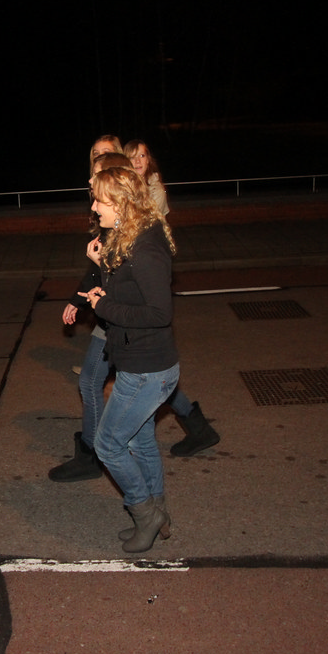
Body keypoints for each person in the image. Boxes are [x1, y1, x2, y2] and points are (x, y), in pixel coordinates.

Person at [79, 165, 179, 552]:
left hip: (146, 370)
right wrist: (101, 270)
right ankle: (158, 513)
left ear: (121, 203)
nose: (93, 207)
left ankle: (145, 513)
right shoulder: (131, 235)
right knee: (140, 441)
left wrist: (103, 307)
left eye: (99, 201)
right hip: (143, 365)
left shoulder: (145, 248)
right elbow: (128, 290)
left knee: (108, 445)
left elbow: (159, 313)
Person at [120, 139, 221, 458]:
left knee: (145, 371)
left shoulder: (153, 191)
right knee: (143, 370)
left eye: (143, 155)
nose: (139, 161)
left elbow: (147, 233)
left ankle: (131, 442)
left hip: (145, 276)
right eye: (132, 157)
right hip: (133, 279)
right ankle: (194, 427)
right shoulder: (127, 188)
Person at [49, 138, 125, 482]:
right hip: (110, 314)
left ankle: (94, 455)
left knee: (99, 382)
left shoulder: (129, 230)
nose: (91, 183)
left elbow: (122, 279)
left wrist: (98, 274)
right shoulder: (112, 221)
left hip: (118, 319)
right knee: (129, 384)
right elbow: (102, 271)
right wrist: (78, 299)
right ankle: (96, 451)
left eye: (97, 176)